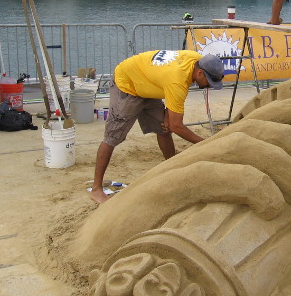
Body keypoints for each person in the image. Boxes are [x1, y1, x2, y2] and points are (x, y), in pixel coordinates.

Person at [90, 50, 225, 203]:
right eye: (209, 82)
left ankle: (173, 172)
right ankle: (96, 189)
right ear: (200, 72)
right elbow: (177, 126)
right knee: (112, 137)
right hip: (127, 84)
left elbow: (170, 100)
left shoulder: (197, 60)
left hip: (149, 85)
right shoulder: (177, 80)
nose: (209, 86)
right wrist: (204, 143)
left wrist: (168, 113)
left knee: (164, 129)